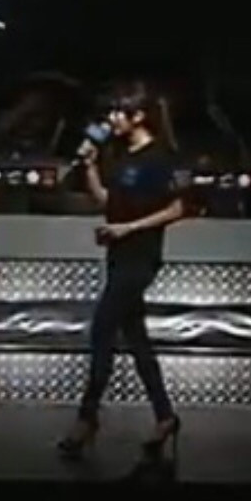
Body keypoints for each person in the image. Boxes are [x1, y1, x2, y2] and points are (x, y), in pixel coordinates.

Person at [58, 81, 188, 462]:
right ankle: (165, 417)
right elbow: (107, 201)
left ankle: (87, 418)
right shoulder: (121, 156)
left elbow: (178, 208)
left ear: (139, 116)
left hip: (140, 259)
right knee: (136, 339)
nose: (112, 120)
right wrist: (90, 166)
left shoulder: (159, 157)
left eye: (118, 113)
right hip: (118, 257)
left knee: (102, 329)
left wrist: (128, 229)